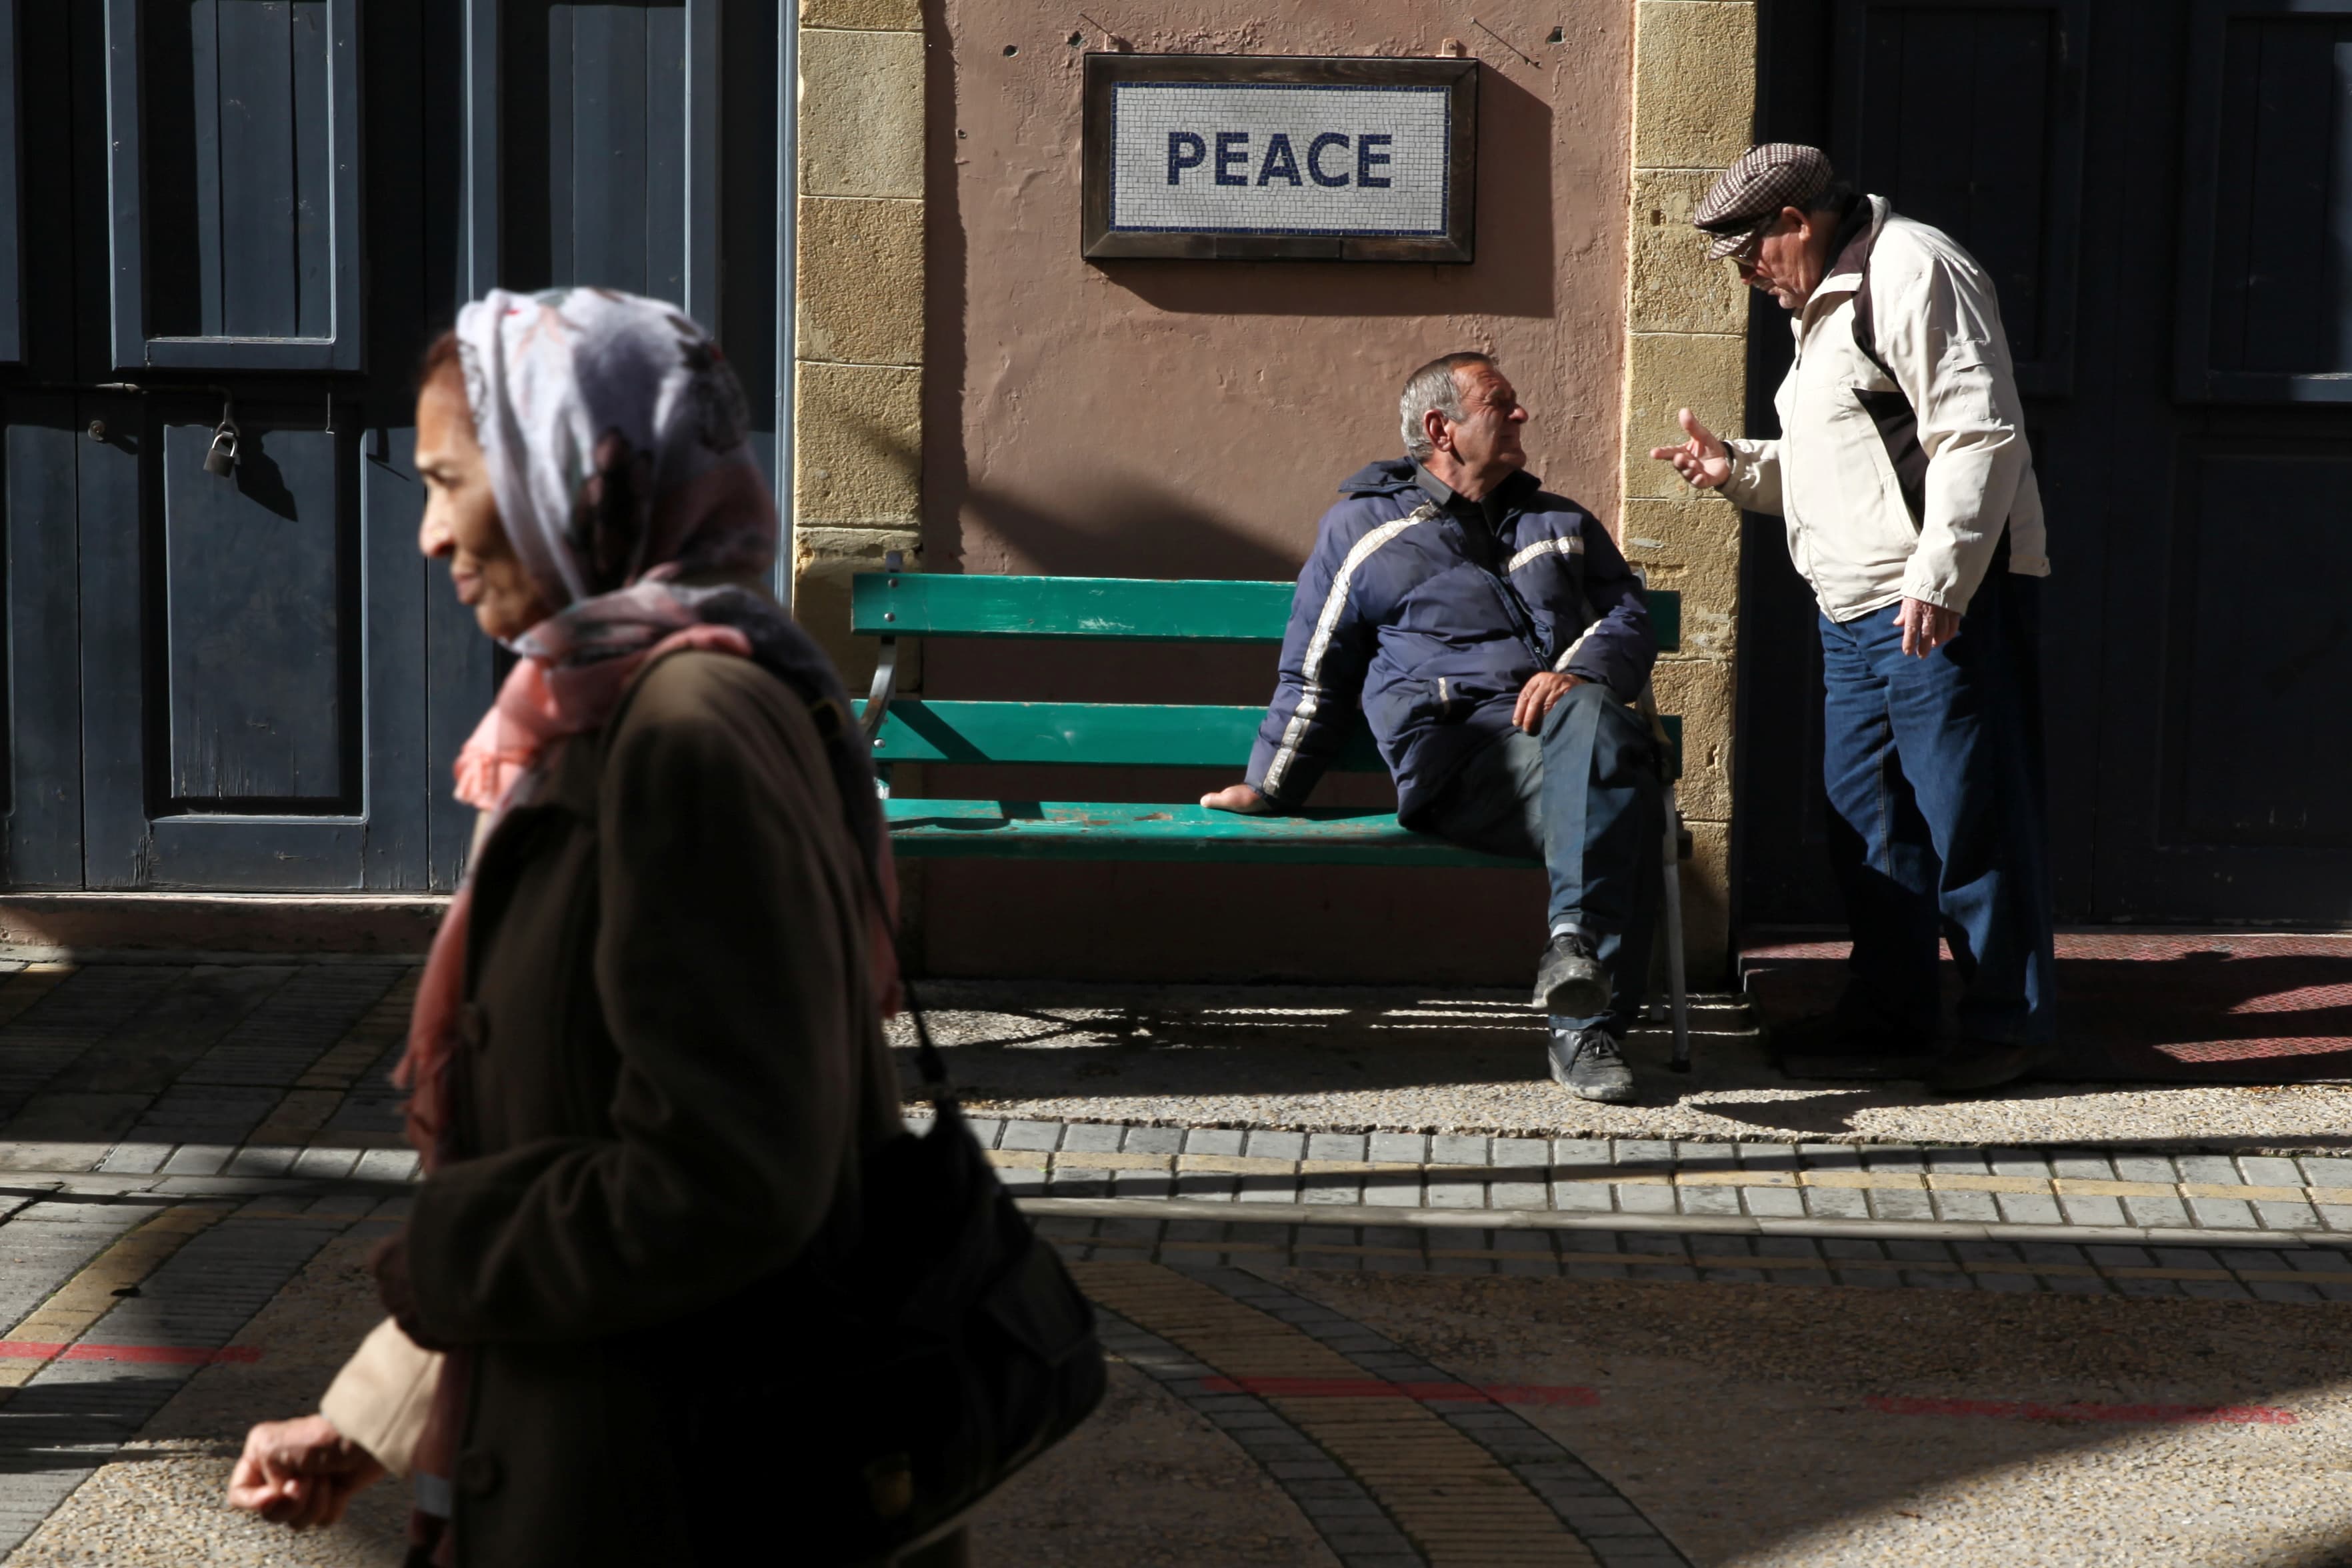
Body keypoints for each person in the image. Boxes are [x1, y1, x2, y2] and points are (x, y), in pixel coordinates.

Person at [224, 288, 959, 1567]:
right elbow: (573, 1137)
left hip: (686, 1497)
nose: (428, 532)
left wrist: (442, 1253)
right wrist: (366, 1416)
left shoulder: (685, 735)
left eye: (454, 479)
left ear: (580, 475)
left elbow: (722, 1178)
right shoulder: (605, 711)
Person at [1650, 142, 2055, 1093]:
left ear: (1798, 222)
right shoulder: (1822, 299)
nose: (1748, 272)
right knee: (1869, 823)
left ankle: (2010, 1021)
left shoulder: (1911, 268)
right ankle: (1893, 1011)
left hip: (1933, 603)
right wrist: (1740, 471)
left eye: (1751, 249)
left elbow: (1976, 431)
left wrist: (1943, 580)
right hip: (1854, 609)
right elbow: (1855, 456)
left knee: (1971, 818)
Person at [1203, 353, 1663, 1102]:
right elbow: (1315, 668)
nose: (1521, 416)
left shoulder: (1561, 523)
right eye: (1500, 404)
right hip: (1462, 764)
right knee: (1625, 789)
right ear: (1440, 428)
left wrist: (1580, 672)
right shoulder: (1363, 529)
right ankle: (1587, 1027)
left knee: (1600, 735)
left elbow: (1627, 616)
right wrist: (1272, 785)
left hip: (1570, 744)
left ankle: (1575, 959)